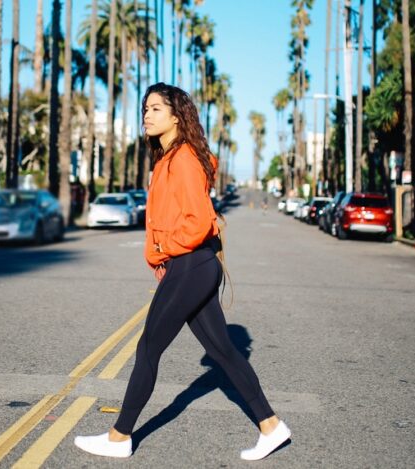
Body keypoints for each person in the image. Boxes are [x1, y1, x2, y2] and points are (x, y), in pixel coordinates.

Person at [74, 83, 291, 461]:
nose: (147, 114)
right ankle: (271, 426)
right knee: (223, 351)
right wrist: (163, 258)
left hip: (192, 263)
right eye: (145, 108)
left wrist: (163, 250)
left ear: (177, 116)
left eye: (156, 108)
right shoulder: (169, 158)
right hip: (192, 265)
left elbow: (199, 222)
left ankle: (119, 435)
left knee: (148, 349)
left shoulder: (184, 158)